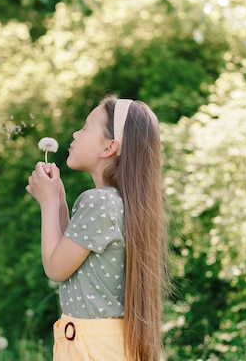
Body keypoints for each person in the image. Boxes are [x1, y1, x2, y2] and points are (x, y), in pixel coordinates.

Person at [26, 96, 168, 361]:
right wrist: (58, 202)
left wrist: (46, 203)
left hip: (89, 349)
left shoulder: (99, 201)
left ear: (109, 147)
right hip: (113, 344)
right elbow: (72, 257)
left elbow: (56, 268)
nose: (76, 133)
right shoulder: (122, 203)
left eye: (86, 127)